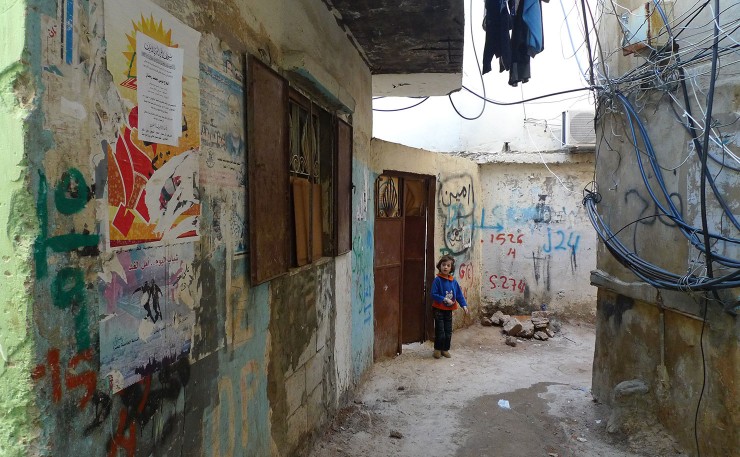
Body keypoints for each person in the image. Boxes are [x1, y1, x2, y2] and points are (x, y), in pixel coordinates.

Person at [430, 254, 469, 359]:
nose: (445, 267)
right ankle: (437, 349)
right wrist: (443, 299)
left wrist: (464, 305)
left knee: (448, 331)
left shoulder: (453, 281)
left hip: (449, 310)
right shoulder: (437, 280)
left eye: (448, 265)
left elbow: (459, 295)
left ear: (451, 268)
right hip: (438, 310)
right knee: (440, 331)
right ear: (440, 266)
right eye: (443, 265)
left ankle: (445, 349)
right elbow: (433, 294)